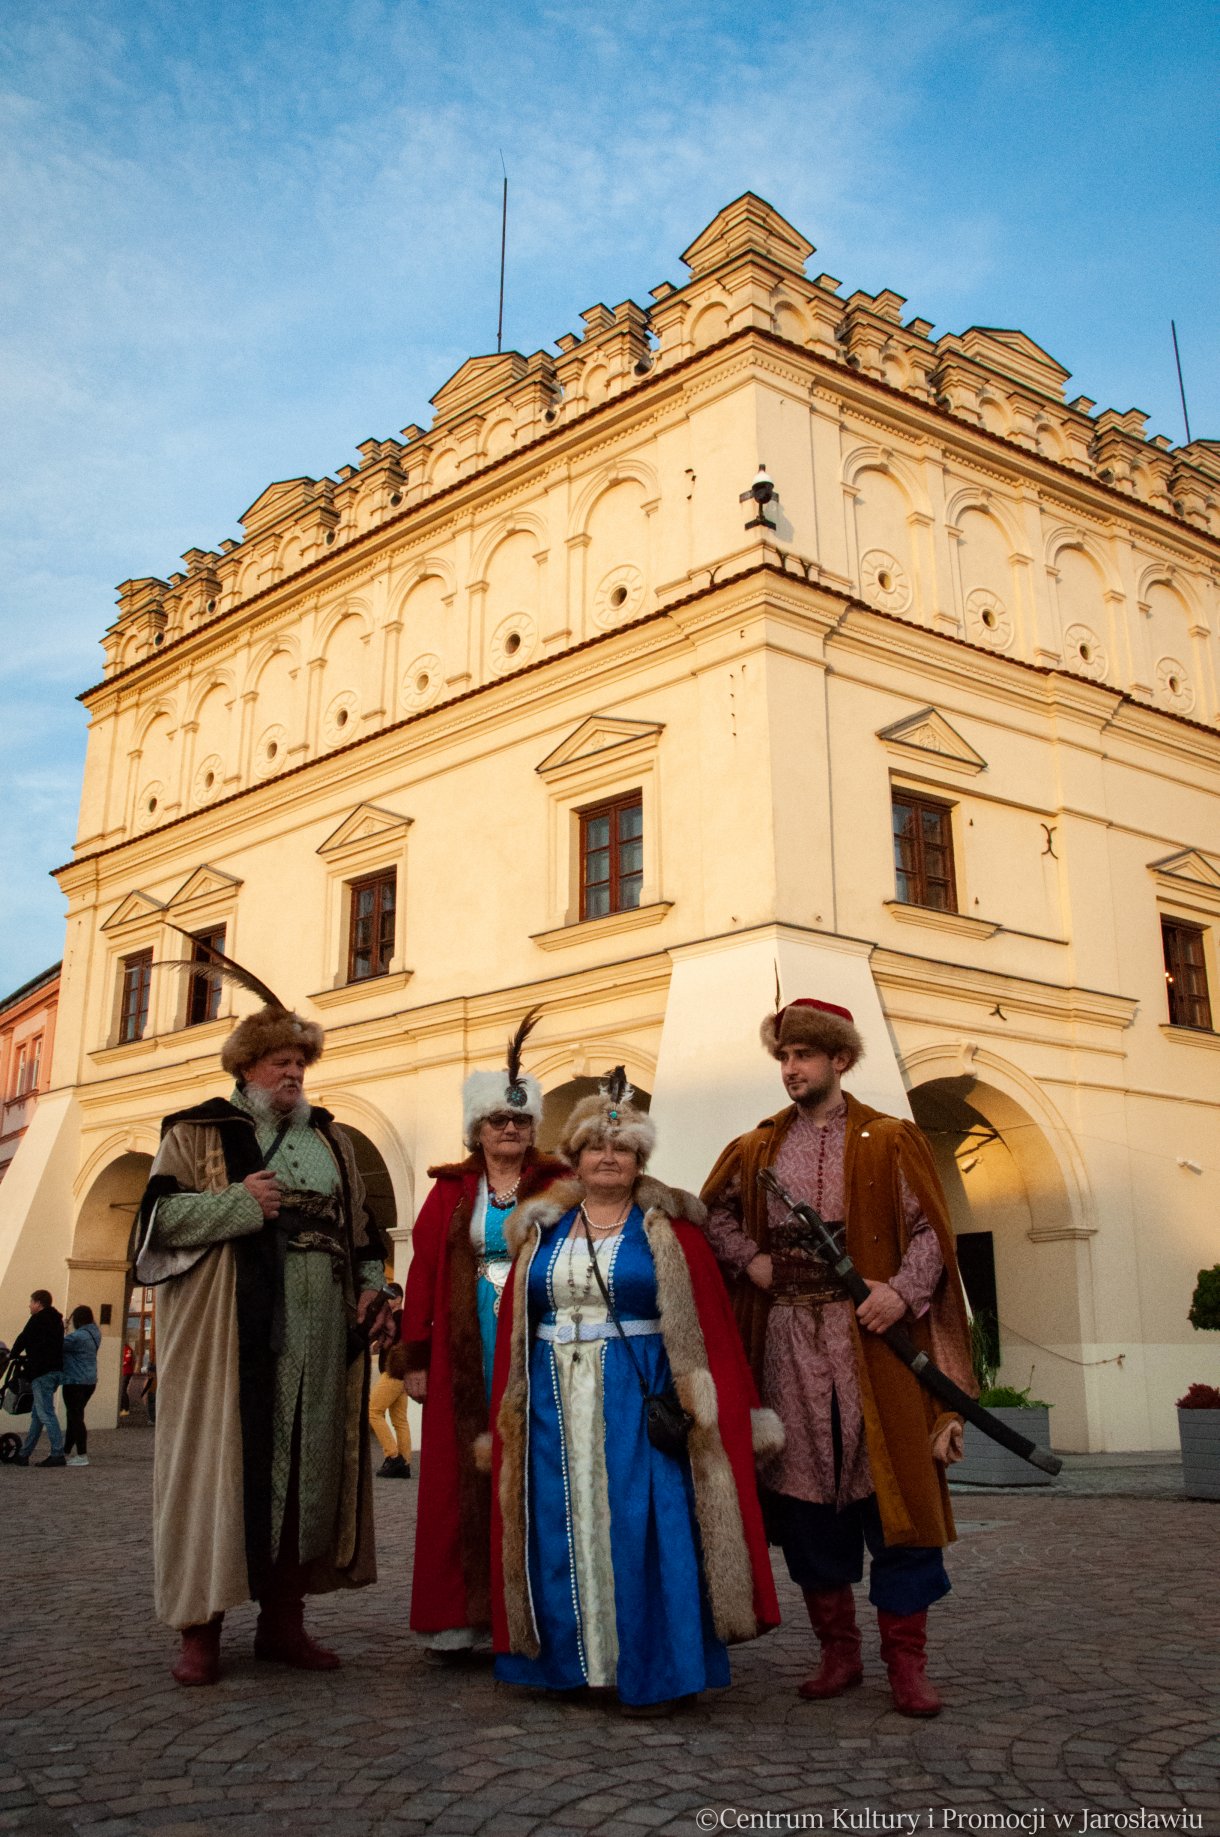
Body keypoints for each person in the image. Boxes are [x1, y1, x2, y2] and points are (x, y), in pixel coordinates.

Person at [700, 998, 974, 1718]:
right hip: (788, 1344)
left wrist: (899, 1292)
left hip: (875, 1347)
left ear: (840, 1060)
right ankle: (838, 1653)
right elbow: (712, 1212)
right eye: (784, 1057)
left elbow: (930, 1232)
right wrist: (750, 1257)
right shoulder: (756, 1148)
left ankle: (906, 1664)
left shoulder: (890, 1139)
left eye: (805, 1056)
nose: (791, 1069)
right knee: (806, 1501)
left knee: (896, 1496)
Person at [491, 1074, 783, 1713]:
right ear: (575, 1157)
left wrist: (700, 1403)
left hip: (637, 1393)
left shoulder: (671, 1231)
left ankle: (653, 1667)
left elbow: (706, 1326)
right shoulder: (541, 1230)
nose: (608, 1157)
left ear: (639, 1159)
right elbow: (520, 1322)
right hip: (551, 1400)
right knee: (557, 1521)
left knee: (641, 1519)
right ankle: (568, 1666)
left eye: (622, 1148)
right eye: (595, 1146)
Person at [134, 989, 389, 1686]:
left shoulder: (331, 1138)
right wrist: (237, 1203)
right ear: (247, 1067)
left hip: (320, 1324)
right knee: (221, 1466)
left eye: (301, 1063)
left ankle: (283, 1621)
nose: (295, 1073)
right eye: (281, 1062)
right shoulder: (197, 1132)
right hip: (232, 1331)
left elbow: (361, 1228)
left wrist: (374, 1286)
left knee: (306, 1468)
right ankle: (201, 1629)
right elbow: (154, 1225)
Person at [401, 1011, 568, 1653]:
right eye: (498, 1120)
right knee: (459, 1479)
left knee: (536, 1468)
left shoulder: (558, 1185)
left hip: (537, 1343)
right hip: (462, 1348)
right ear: (477, 1128)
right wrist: (416, 1357)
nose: (509, 1129)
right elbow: (423, 1273)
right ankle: (460, 1612)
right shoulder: (451, 1192)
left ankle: (531, 1613)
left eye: (520, 1120)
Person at [9, 1290, 65, 1467]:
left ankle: (57, 1453)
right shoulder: (56, 1320)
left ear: (39, 1303)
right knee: (38, 1414)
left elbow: (23, 1338)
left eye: (31, 1302)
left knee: (46, 1413)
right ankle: (24, 1453)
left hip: (42, 1372)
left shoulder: (38, 1319)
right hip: (55, 1371)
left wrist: (12, 1355)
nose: (29, 1305)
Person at [369, 1282, 412, 1478]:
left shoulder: (397, 1317)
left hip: (394, 1372)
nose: (386, 1301)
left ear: (398, 1299)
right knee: (400, 1420)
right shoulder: (403, 1318)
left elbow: (391, 1340)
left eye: (389, 1298)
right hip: (402, 1373)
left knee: (373, 1410)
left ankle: (393, 1456)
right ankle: (405, 1462)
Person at [61, 1305, 101, 1465]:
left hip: (75, 1380)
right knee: (75, 1416)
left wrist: (62, 1328)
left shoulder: (78, 1337)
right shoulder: (95, 1333)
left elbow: (58, 1344)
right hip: (90, 1381)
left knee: (75, 1417)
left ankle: (82, 1454)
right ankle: (66, 1451)